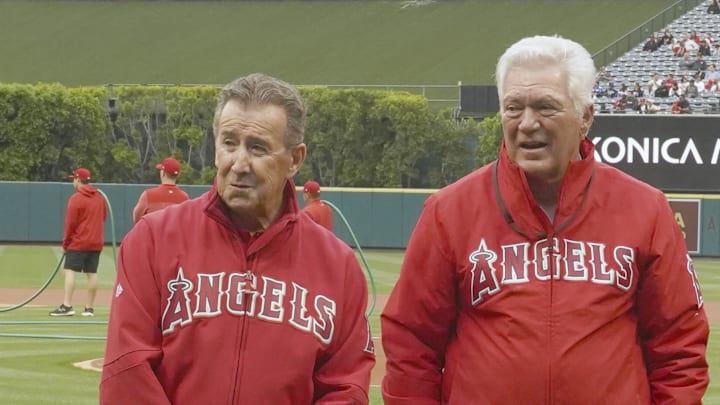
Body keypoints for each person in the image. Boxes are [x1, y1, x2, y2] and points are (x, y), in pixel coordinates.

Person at [381, 35, 709, 404]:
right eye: (513, 108)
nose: (527, 123)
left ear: (585, 117)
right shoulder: (449, 211)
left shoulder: (645, 208)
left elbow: (678, 348)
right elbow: (411, 346)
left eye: (545, 107)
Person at [100, 73, 374, 404]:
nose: (239, 163)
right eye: (229, 143)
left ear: (295, 159)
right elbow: (127, 371)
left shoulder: (338, 266)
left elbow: (345, 388)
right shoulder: (153, 240)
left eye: (258, 148)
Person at [50, 168, 107, 317]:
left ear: (77, 180)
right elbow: (104, 217)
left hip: (79, 242)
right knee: (92, 273)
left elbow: (70, 224)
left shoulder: (76, 199)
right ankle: (89, 308)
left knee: (69, 271)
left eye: (73, 179)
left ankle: (67, 305)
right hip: (96, 242)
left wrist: (65, 244)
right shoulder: (100, 197)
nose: (72, 182)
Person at [132, 157, 190, 223]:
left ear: (163, 173)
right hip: (175, 233)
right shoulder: (185, 198)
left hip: (154, 232)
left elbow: (136, 219)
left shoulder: (148, 195)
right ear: (178, 175)